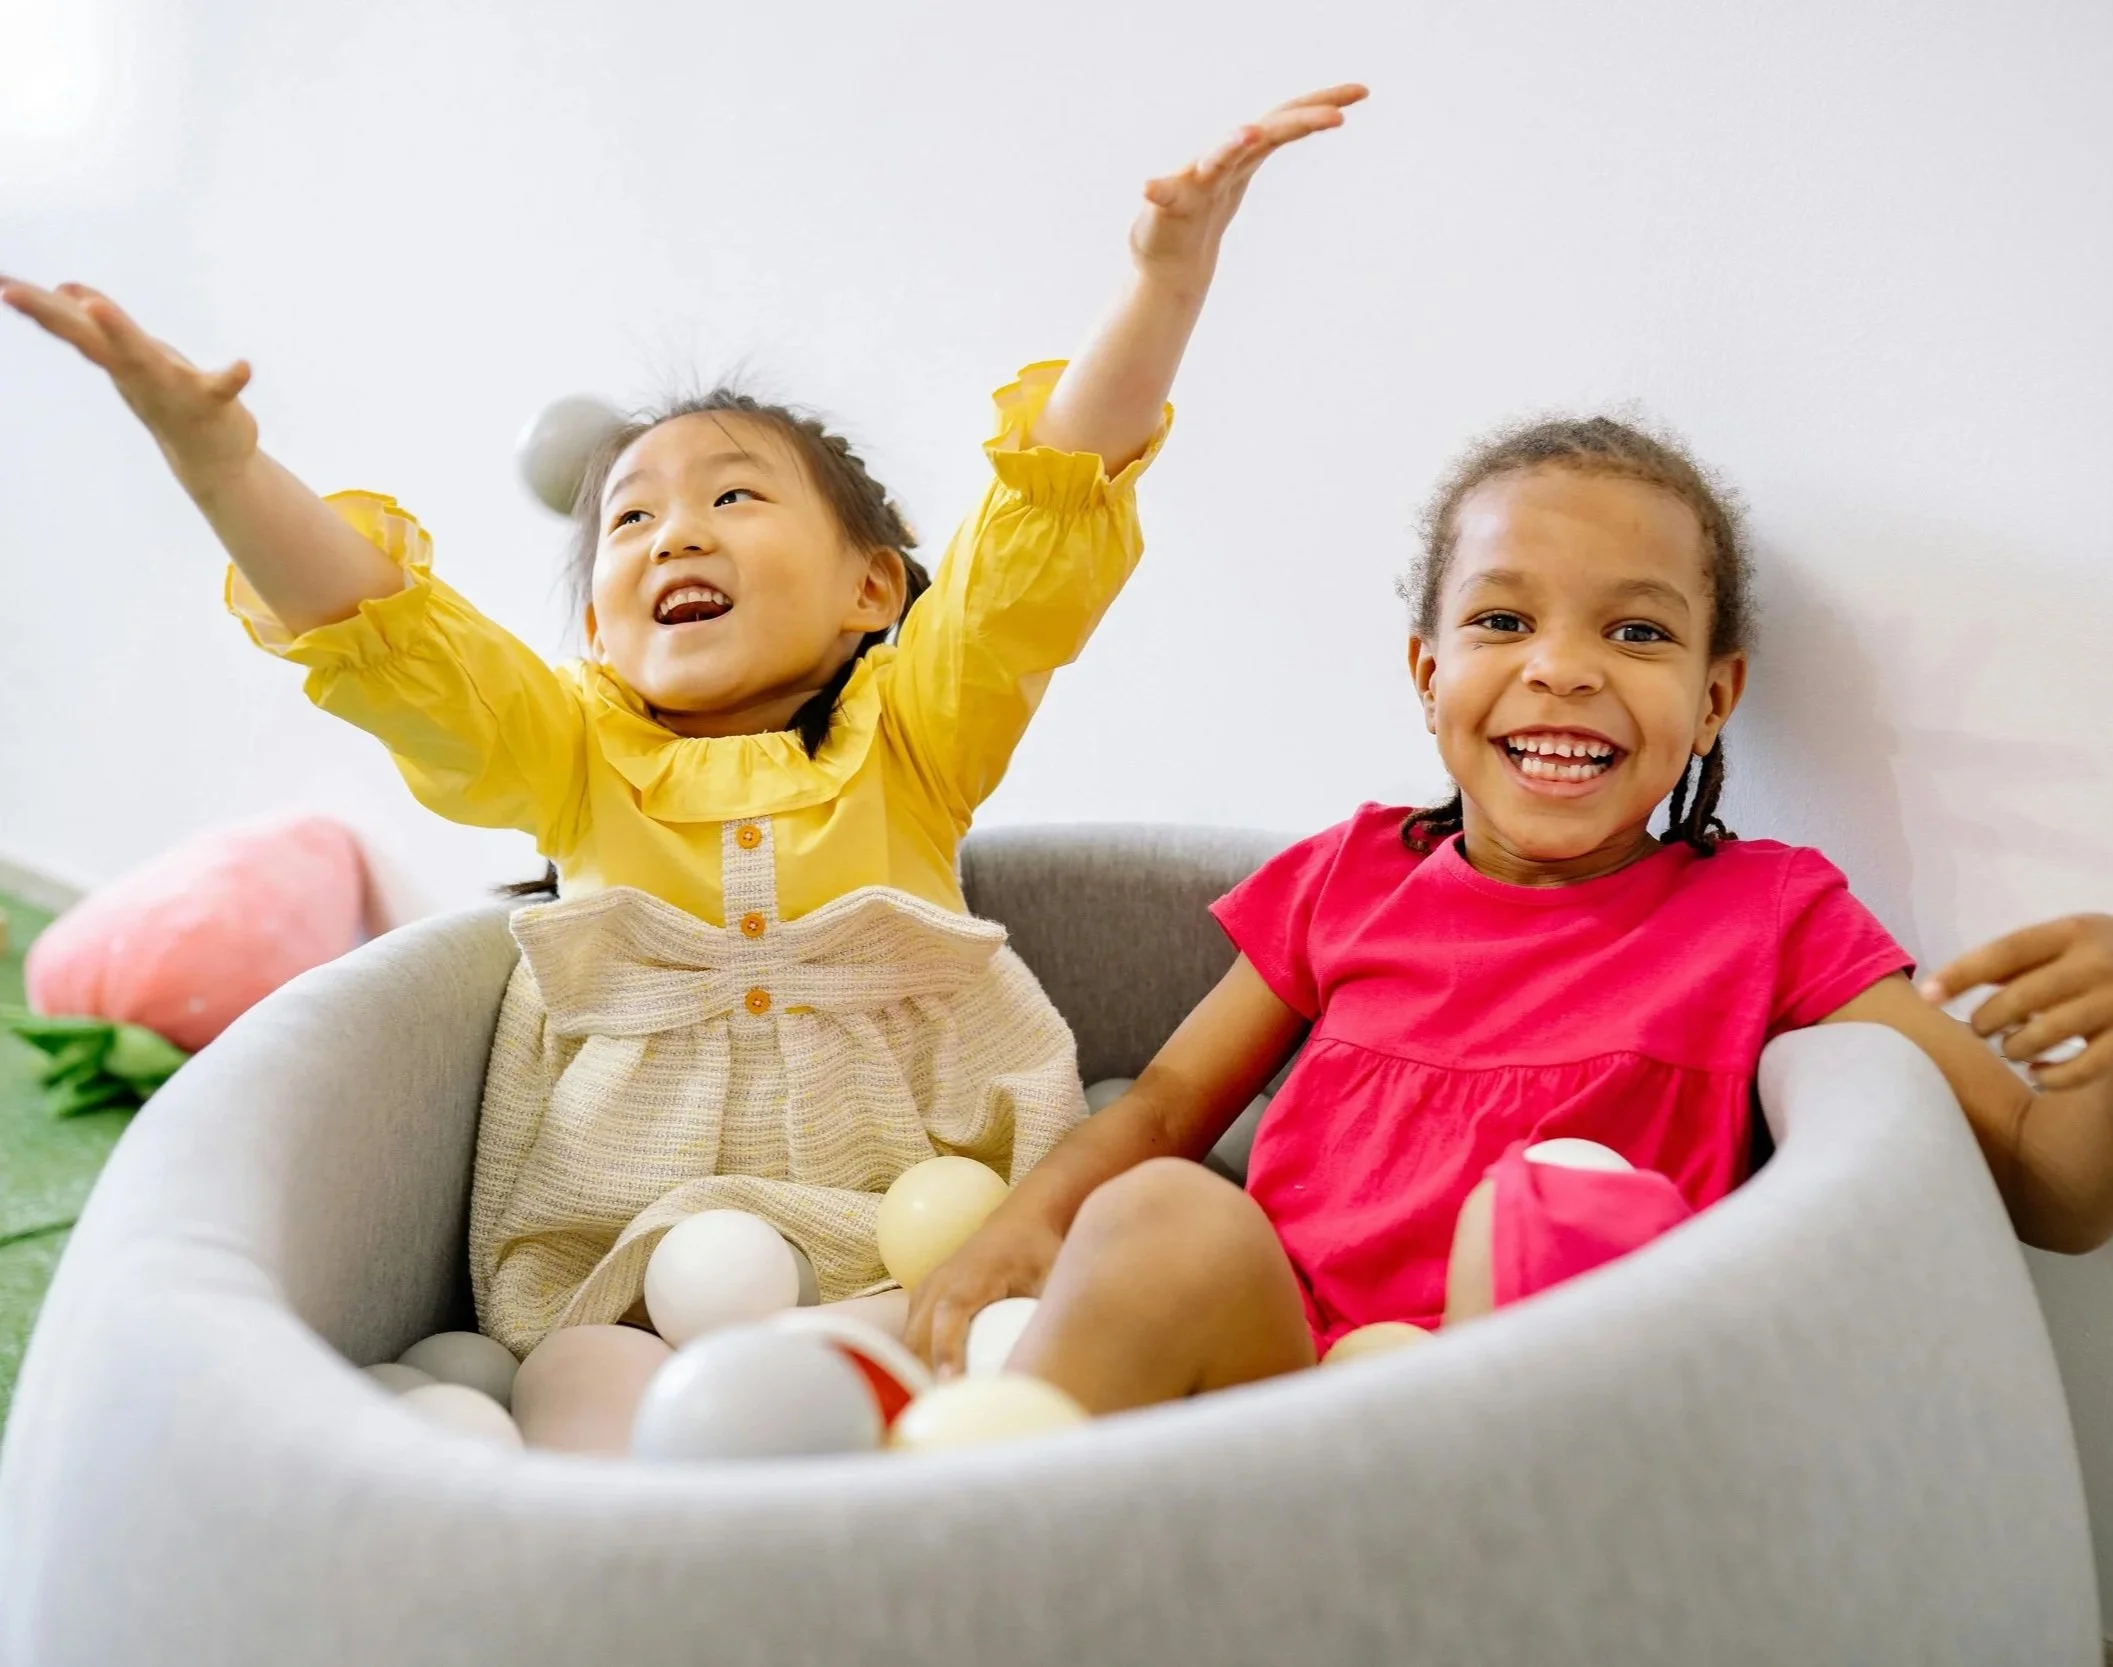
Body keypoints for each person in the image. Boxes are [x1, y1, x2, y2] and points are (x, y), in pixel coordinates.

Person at [1, 84, 1371, 1447]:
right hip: (631, 1258)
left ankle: (870, 1506)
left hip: (921, 1244)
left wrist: (1162, 285)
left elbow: (1042, 530)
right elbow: (381, 631)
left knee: (938, 1383)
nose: (675, 537)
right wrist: (217, 457)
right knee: (570, 1389)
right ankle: (649, 1550)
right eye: (632, 520)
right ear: (597, 627)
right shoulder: (569, 756)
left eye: (733, 496)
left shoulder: (915, 731)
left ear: (870, 590)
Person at [907, 415, 2113, 1414]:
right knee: (1162, 1206)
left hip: (1546, 1438)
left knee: (1553, 1198)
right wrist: (1019, 1229)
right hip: (1285, 1402)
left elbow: (2050, 1186)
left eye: (1635, 631)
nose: (1563, 667)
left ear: (1714, 698)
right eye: (1501, 620)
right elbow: (1166, 1104)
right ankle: (1001, 1555)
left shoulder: (1768, 911)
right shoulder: (1351, 875)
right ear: (1429, 674)